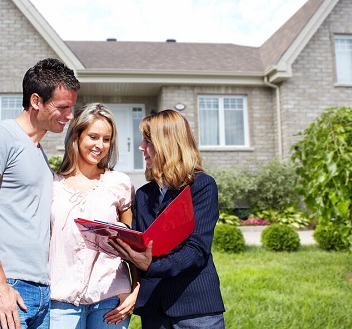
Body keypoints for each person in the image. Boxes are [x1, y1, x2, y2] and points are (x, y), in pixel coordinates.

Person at [0, 58, 80, 329]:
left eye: (71, 107)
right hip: (7, 289)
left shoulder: (37, 152)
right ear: (36, 100)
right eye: (62, 107)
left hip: (39, 290)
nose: (70, 115)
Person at [110, 109, 226, 328]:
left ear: (168, 145)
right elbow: (138, 241)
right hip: (154, 310)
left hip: (195, 308)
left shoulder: (201, 186)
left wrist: (151, 264)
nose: (141, 148)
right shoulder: (144, 195)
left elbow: (197, 250)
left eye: (147, 142)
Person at [49, 103, 139, 329]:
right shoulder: (51, 185)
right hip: (61, 301)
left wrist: (135, 290)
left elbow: (132, 246)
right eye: (93, 136)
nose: (100, 145)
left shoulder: (119, 183)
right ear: (76, 136)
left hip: (109, 299)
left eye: (106, 139)